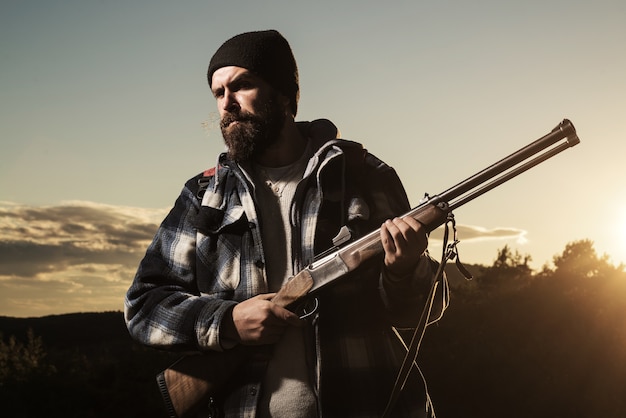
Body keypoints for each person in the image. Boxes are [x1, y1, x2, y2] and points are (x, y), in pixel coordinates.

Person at [125, 29, 446, 418]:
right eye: (218, 92)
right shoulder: (203, 195)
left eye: (242, 86)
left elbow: (418, 314)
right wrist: (226, 322)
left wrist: (403, 269)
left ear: (283, 94)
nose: (227, 104)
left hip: (370, 405)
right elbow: (144, 306)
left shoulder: (364, 175)